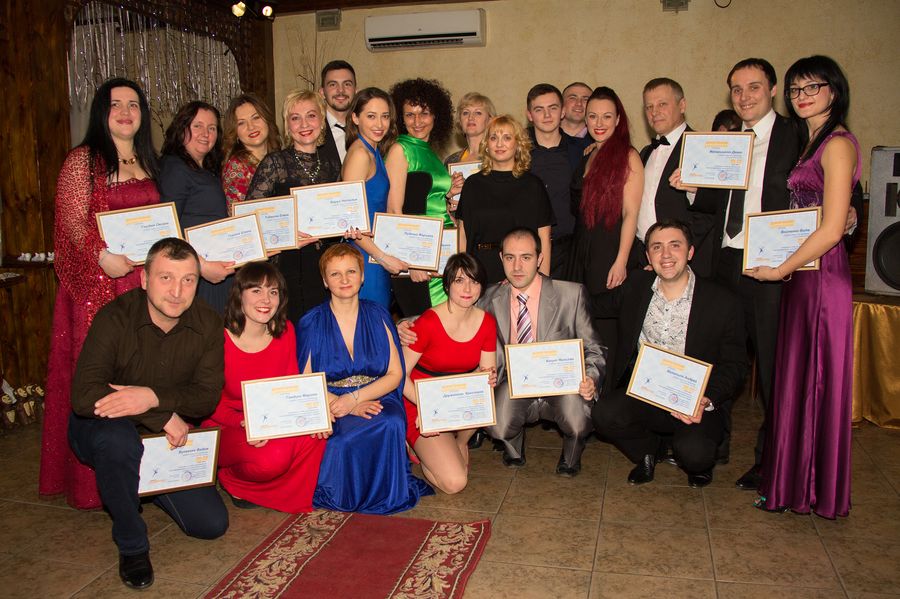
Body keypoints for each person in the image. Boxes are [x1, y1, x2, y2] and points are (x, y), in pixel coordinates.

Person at [67, 238, 229, 590]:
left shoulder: (208, 323)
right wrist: (160, 414)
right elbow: (84, 396)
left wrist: (151, 398)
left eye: (188, 280)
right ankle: (132, 544)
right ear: (144, 279)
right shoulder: (115, 318)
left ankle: (139, 483)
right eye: (165, 278)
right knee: (118, 441)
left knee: (211, 525)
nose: (177, 291)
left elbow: (204, 400)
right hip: (105, 428)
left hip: (163, 439)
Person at [40, 78, 161, 510]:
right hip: (101, 286)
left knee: (143, 373)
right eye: (116, 104)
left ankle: (149, 473)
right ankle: (96, 484)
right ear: (101, 112)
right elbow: (71, 220)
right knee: (102, 375)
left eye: (134, 104)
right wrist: (101, 255)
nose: (126, 112)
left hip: (143, 284)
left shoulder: (147, 160)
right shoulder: (84, 159)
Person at [748, 56, 860, 519]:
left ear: (834, 90)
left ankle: (814, 489)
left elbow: (832, 228)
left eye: (812, 87)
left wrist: (780, 270)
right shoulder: (811, 140)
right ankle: (793, 485)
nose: (802, 96)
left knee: (815, 382)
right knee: (796, 380)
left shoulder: (837, 143)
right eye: (796, 89)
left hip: (820, 277)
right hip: (804, 271)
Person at [683, 58, 800, 491]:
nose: (744, 96)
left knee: (770, 366)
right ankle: (713, 441)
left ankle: (772, 462)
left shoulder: (795, 136)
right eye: (736, 89)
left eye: (754, 87)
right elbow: (713, 204)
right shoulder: (728, 142)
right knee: (720, 357)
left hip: (771, 265)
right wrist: (692, 185)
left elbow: (819, 187)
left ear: (772, 90)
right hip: (726, 262)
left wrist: (847, 212)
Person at [403, 228, 606, 476]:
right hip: (513, 384)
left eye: (526, 257)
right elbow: (448, 312)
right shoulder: (488, 295)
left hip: (563, 386)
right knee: (497, 424)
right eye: (510, 257)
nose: (517, 266)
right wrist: (403, 325)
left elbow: (595, 348)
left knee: (578, 419)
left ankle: (571, 456)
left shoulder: (571, 294)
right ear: (501, 258)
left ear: (540, 258)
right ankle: (513, 448)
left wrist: (591, 378)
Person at [592, 220, 748, 487]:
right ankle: (649, 452)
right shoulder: (637, 285)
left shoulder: (722, 300)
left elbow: (736, 364)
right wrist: (537, 287)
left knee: (695, 455)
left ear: (690, 252)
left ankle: (691, 452)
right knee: (604, 414)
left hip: (695, 399)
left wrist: (706, 399)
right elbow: (591, 303)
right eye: (657, 247)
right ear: (648, 256)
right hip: (647, 392)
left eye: (675, 245)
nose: (665, 254)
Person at [298, 244, 433, 513]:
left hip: (377, 395)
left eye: (351, 271)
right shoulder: (311, 322)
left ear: (362, 276)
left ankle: (386, 491)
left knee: (391, 421)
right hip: (331, 400)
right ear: (325, 281)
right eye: (335, 274)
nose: (344, 279)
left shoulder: (379, 315)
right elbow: (305, 382)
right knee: (340, 441)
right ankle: (344, 495)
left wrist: (356, 398)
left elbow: (395, 374)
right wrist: (344, 404)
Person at [201, 261, 326, 512]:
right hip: (227, 422)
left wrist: (313, 415)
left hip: (271, 420)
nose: (266, 299)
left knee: (316, 436)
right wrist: (243, 422)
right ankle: (232, 479)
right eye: (256, 290)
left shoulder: (286, 331)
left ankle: (282, 490)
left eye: (273, 291)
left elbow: (290, 385)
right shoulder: (217, 338)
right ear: (240, 295)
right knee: (273, 459)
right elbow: (207, 402)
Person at [402, 253, 497, 494]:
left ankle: (460, 441)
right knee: (455, 483)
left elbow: (485, 371)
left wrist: (488, 376)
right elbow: (400, 376)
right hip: (419, 400)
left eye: (474, 281)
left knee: (484, 392)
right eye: (459, 281)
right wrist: (426, 406)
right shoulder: (428, 323)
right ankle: (414, 445)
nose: (467, 289)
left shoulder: (487, 322)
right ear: (447, 285)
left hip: (454, 399)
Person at [568, 86, 643, 384]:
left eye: (607, 116)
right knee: (582, 325)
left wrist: (621, 261)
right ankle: (588, 390)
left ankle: (607, 391)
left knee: (605, 326)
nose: (599, 123)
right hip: (581, 249)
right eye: (593, 116)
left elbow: (631, 214)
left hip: (608, 250)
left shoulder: (629, 156)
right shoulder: (590, 153)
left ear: (618, 119)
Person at [247, 90, 341, 322]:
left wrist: (346, 227)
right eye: (295, 118)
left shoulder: (331, 164)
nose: (304, 124)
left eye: (311, 115)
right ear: (287, 125)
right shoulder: (275, 163)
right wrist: (286, 237)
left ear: (322, 120)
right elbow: (249, 221)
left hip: (323, 268)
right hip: (286, 266)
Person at [386, 78, 462, 316]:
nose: (417, 121)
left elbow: (424, 197)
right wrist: (412, 262)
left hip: (442, 253)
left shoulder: (429, 151)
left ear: (436, 116)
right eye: (410, 115)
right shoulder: (401, 149)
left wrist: (447, 196)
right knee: (426, 325)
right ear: (401, 118)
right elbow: (394, 211)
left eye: (424, 113)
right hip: (419, 258)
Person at [456, 115, 554, 284]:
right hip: (479, 271)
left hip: (522, 271)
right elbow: (462, 234)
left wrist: (543, 283)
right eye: (494, 138)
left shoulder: (533, 185)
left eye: (507, 138)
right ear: (486, 145)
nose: (499, 144)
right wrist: (462, 273)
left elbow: (544, 238)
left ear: (518, 145)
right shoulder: (472, 184)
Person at [159, 101, 235, 314]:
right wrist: (200, 266)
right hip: (196, 274)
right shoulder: (175, 168)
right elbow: (167, 228)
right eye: (197, 126)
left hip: (213, 270)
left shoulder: (206, 169)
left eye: (212, 128)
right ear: (182, 128)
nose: (205, 133)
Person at [635, 78, 713, 277]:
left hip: (684, 264)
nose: (654, 112)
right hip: (644, 261)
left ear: (682, 105)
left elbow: (710, 212)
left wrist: (674, 255)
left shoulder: (704, 147)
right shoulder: (645, 153)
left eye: (662, 104)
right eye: (649, 107)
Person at [342, 87, 402, 308]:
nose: (379, 124)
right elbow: (350, 221)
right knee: (370, 318)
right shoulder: (360, 154)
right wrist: (383, 258)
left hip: (373, 251)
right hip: (365, 254)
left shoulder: (372, 151)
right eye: (371, 116)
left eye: (385, 116)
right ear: (355, 118)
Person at [526, 83, 586, 277]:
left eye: (553, 108)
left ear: (562, 112)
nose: (547, 115)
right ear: (529, 115)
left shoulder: (581, 151)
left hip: (570, 250)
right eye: (539, 109)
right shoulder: (516, 152)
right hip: (527, 249)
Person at [221, 93, 281, 207]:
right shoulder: (237, 168)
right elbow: (238, 215)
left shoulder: (279, 158)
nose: (251, 127)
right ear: (235, 132)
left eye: (256, 117)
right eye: (241, 123)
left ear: (267, 119)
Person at [319, 60, 357, 164]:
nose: (341, 90)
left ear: (356, 91)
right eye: (333, 85)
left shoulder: (367, 127)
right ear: (322, 93)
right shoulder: (313, 130)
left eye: (347, 84)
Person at [444, 92, 496, 165]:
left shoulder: (498, 156)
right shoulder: (451, 161)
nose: (470, 117)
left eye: (478, 113)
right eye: (465, 113)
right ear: (460, 121)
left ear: (490, 120)